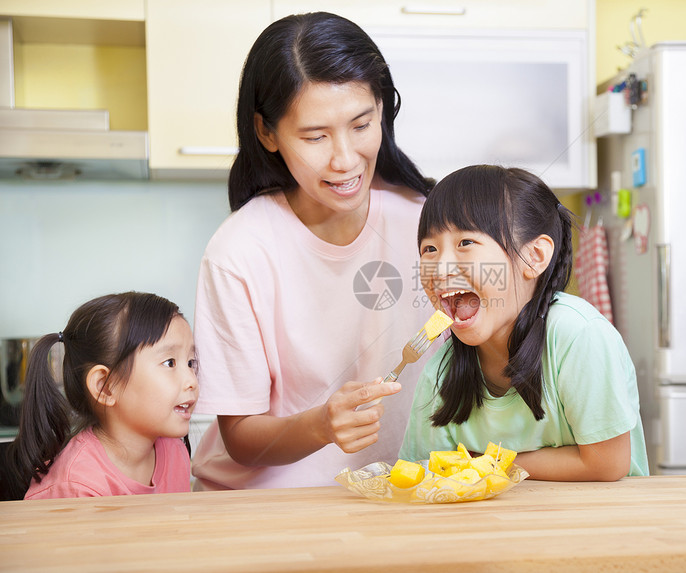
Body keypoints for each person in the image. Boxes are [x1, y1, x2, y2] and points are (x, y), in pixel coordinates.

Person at [190, 12, 435, 490]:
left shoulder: (428, 224)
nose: (344, 159)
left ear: (382, 109)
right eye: (315, 136)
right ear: (266, 133)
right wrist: (321, 424)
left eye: (361, 124)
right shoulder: (239, 252)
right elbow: (240, 437)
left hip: (394, 496)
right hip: (265, 509)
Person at [399, 165, 649, 480]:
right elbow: (426, 472)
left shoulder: (577, 335)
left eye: (465, 243)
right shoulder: (441, 369)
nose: (440, 267)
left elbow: (607, 463)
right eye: (430, 249)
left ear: (533, 256)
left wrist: (484, 462)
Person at [0, 292, 198, 501]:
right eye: (170, 363)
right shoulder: (76, 486)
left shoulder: (175, 452)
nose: (192, 380)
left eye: (191, 363)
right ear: (105, 387)